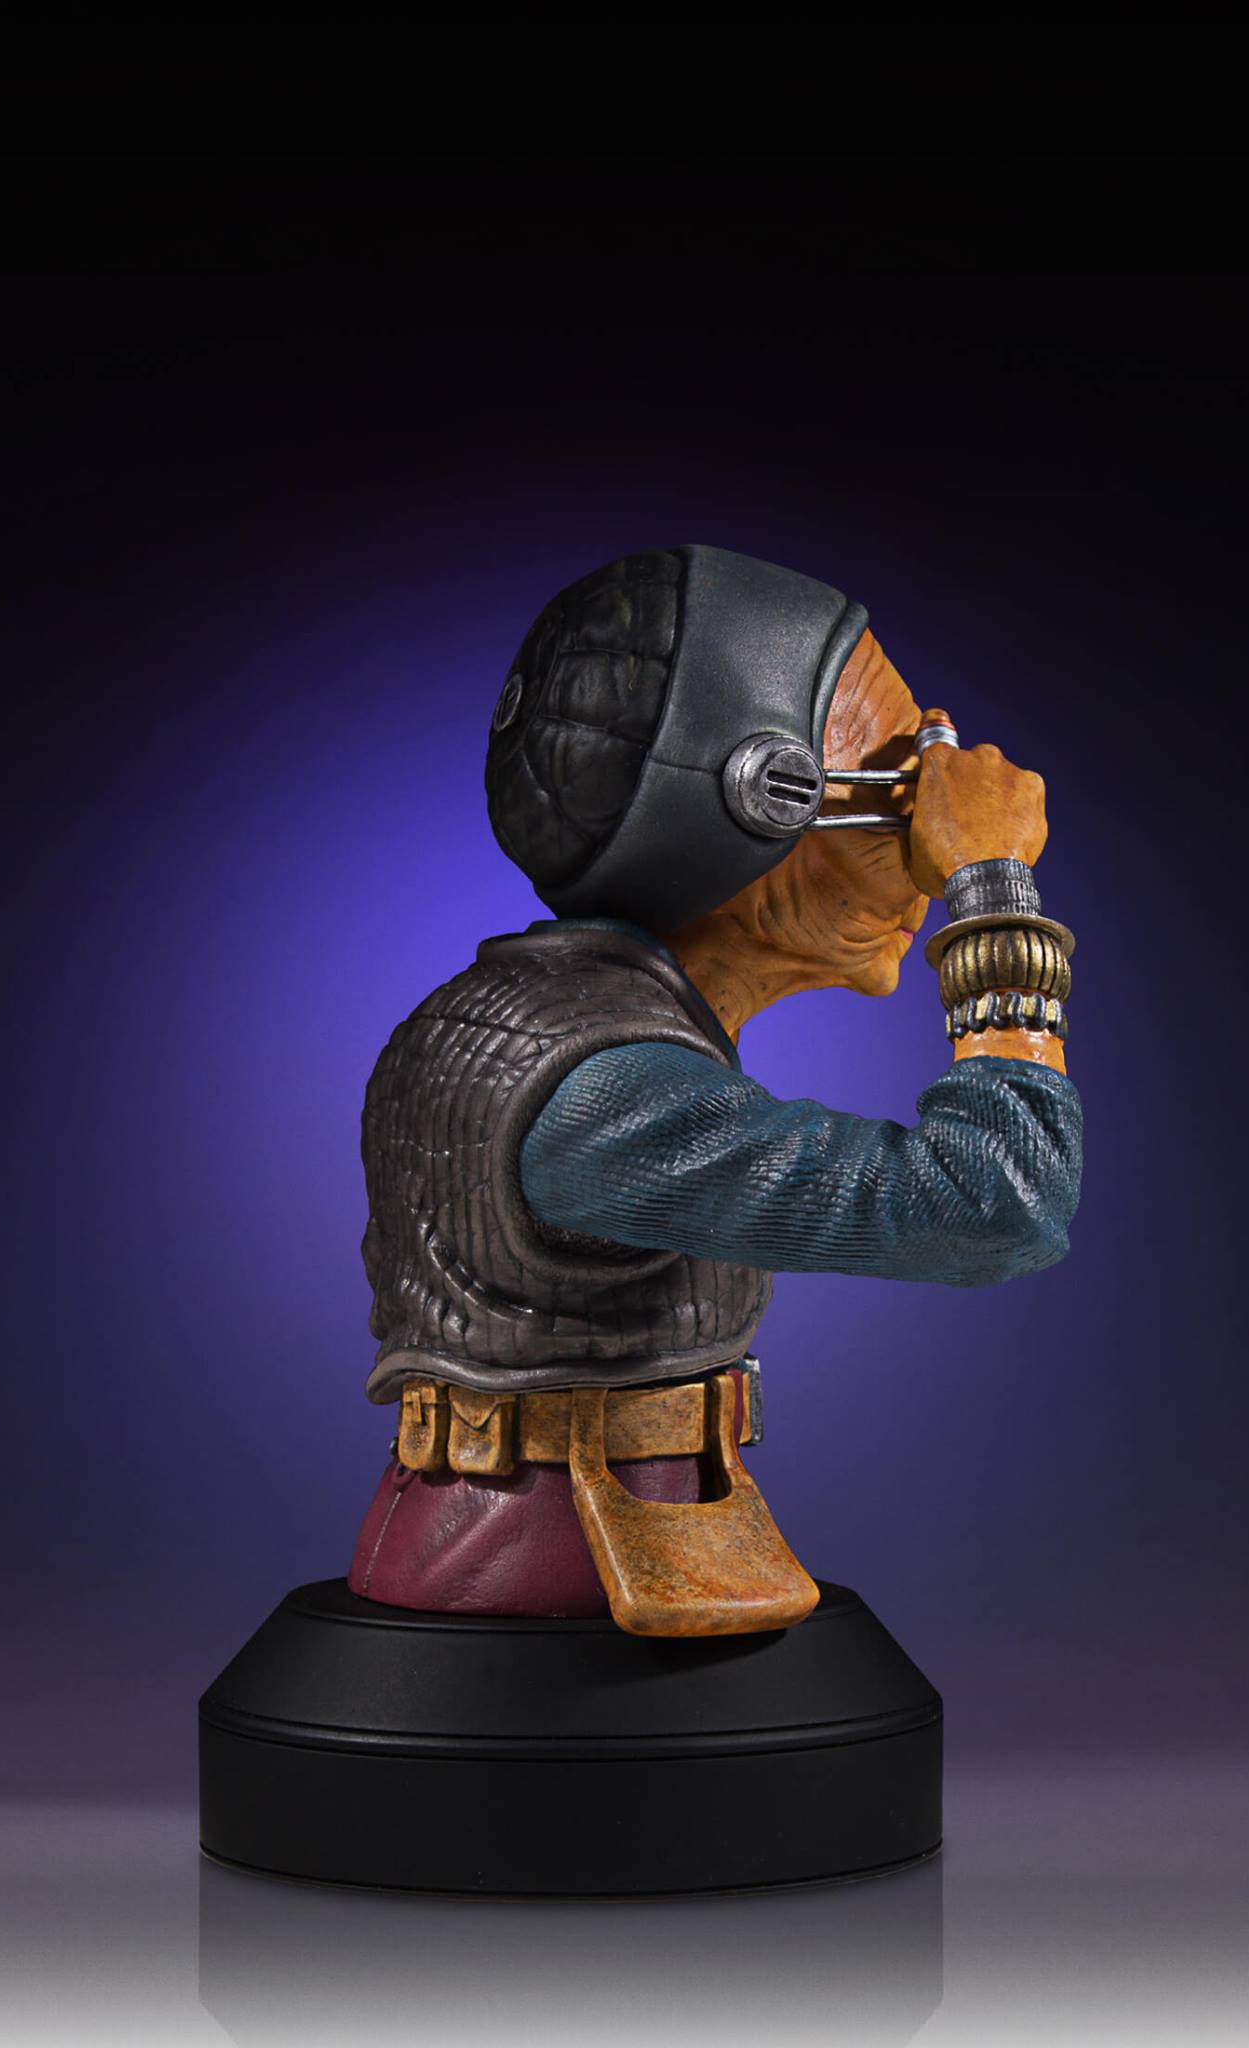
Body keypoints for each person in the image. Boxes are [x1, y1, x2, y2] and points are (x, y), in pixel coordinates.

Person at [347, 546, 1082, 1634]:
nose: (923, 851)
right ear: (765, 807)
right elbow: (1000, 1207)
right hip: (556, 1574)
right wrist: (992, 886)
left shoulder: (525, 1020)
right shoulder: (605, 1094)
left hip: (570, 1535)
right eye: (903, 796)